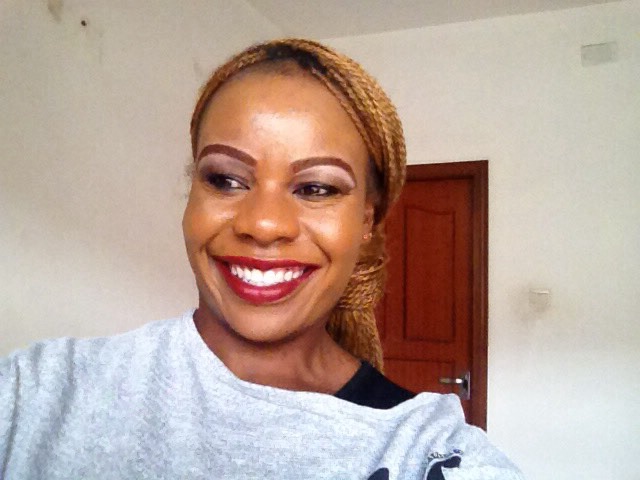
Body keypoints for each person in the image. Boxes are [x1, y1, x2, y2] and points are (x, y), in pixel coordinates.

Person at [0, 39, 523, 479]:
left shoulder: (424, 449)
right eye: (226, 179)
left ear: (367, 220)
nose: (263, 224)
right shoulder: (38, 393)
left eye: (316, 188)